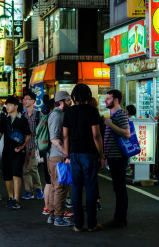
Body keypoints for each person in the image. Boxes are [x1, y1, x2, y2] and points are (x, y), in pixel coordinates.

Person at [63, 83, 104, 232]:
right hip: (90, 154)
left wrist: (67, 155)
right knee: (91, 188)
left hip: (74, 154)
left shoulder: (69, 112)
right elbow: (96, 136)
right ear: (88, 95)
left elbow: (65, 136)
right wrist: (102, 156)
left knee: (77, 189)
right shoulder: (92, 111)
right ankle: (92, 224)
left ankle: (78, 225)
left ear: (74, 97)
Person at [103, 89, 131, 228]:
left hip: (118, 158)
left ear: (116, 100)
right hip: (113, 157)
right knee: (118, 187)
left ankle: (120, 218)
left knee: (120, 188)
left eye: (108, 98)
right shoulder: (113, 115)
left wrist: (110, 124)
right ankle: (119, 217)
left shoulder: (120, 115)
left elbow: (126, 133)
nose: (105, 101)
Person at [46, 91, 73, 227]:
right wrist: (66, 153)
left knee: (54, 187)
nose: (71, 102)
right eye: (68, 100)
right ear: (61, 102)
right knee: (60, 187)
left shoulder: (56, 114)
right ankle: (58, 217)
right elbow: (55, 139)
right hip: (58, 157)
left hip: (53, 156)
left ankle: (52, 215)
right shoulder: (57, 116)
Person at [2, 96, 31, 210]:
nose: (7, 107)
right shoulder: (5, 119)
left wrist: (22, 146)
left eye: (9, 105)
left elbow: (28, 135)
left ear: (16, 106)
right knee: (7, 175)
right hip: (6, 151)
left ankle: (16, 199)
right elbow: (0, 133)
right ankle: (10, 197)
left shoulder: (23, 119)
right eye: (6, 105)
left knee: (16, 174)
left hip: (19, 152)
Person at [22, 92, 44, 200]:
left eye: (27, 99)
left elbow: (43, 131)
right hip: (25, 146)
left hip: (35, 146)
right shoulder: (22, 116)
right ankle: (28, 191)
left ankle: (38, 189)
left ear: (33, 101)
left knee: (32, 167)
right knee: (25, 169)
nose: (25, 101)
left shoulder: (39, 115)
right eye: (24, 99)